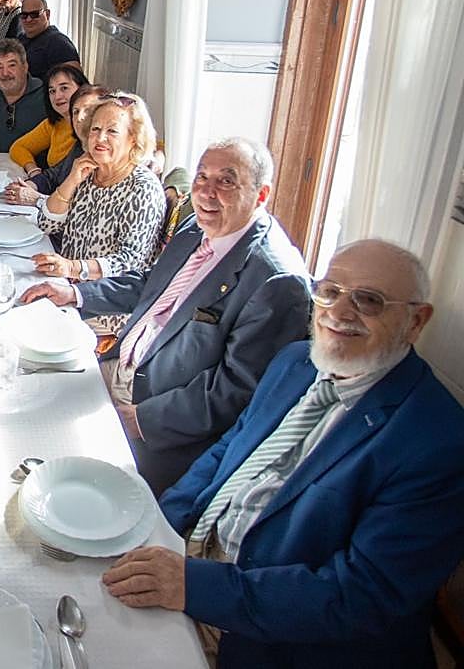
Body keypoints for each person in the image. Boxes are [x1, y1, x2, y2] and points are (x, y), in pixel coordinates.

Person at [104, 239, 464, 669]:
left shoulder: (438, 440)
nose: (339, 312)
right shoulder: (296, 361)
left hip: (271, 634)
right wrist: (161, 525)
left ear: (415, 321)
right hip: (193, 562)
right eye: (330, 291)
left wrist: (195, 586)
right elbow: (228, 451)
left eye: (369, 301)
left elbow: (360, 596)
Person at [20, 138, 311, 494]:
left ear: (261, 195)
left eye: (226, 181)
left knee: (54, 477)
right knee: (22, 392)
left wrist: (141, 420)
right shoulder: (197, 228)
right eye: (202, 177)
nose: (206, 192)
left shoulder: (277, 281)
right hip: (120, 368)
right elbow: (151, 284)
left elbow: (235, 392)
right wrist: (76, 293)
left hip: (159, 421)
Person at [31, 92, 166, 335]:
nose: (100, 138)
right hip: (65, 287)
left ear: (133, 139)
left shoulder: (143, 188)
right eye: (95, 129)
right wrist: (71, 180)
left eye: (112, 131)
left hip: (105, 309)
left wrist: (72, 268)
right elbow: (46, 224)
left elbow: (129, 262)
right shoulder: (88, 172)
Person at [5, 81, 104, 204]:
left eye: (88, 110)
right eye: (76, 112)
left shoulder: (104, 157)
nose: (80, 118)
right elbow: (52, 176)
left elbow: (83, 210)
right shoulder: (80, 147)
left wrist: (37, 199)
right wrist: (28, 186)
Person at [8, 63, 89, 178]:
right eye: (52, 91)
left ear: (82, 89)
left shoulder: (94, 125)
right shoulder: (54, 124)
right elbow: (18, 147)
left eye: (64, 88)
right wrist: (33, 170)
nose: (57, 96)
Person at [16, 0, 81, 80]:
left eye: (34, 14)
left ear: (47, 14)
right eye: (24, 15)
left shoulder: (58, 43)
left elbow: (75, 82)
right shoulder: (21, 39)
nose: (28, 19)